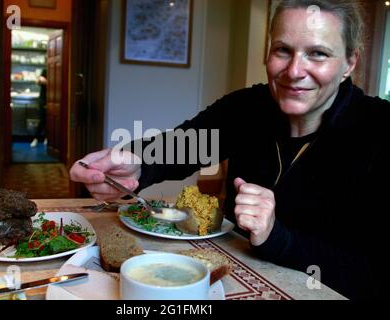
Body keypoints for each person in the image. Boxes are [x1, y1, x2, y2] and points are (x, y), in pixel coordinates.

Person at [70, 0, 390, 299]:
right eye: (283, 50)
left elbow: (374, 274)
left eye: (318, 53)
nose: (294, 71)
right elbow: (185, 144)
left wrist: (278, 238)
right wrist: (137, 162)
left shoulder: (379, 131)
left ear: (350, 62)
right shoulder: (248, 107)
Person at [31, 69, 47, 148]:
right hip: (43, 99)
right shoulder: (45, 70)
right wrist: (40, 80)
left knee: (50, 120)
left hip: (52, 98)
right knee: (42, 119)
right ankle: (36, 138)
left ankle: (46, 138)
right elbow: (38, 82)